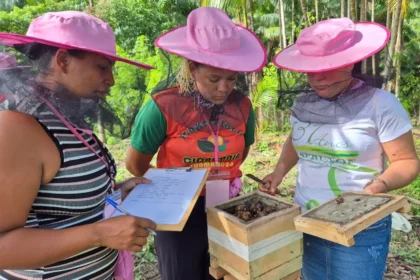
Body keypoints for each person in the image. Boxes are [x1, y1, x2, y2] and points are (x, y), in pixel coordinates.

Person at [0, 11, 157, 279]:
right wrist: (99, 234)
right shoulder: (17, 128)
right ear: (62, 59)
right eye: (102, 67)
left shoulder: (62, 115)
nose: (111, 80)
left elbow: (62, 202)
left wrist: (116, 192)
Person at [260, 18, 420, 280]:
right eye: (311, 69)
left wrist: (378, 187)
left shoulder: (382, 104)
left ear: (350, 62)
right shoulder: (304, 103)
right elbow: (296, 139)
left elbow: (406, 161)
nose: (317, 77)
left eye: (327, 67)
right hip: (305, 220)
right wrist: (278, 172)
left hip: (359, 228)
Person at [125, 7, 266, 280]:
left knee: (224, 271)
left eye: (231, 78)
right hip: (178, 214)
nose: (224, 88)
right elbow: (135, 164)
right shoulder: (163, 106)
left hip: (227, 208)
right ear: (192, 69)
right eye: (214, 78)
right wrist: (176, 190)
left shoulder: (242, 106)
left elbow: (241, 153)